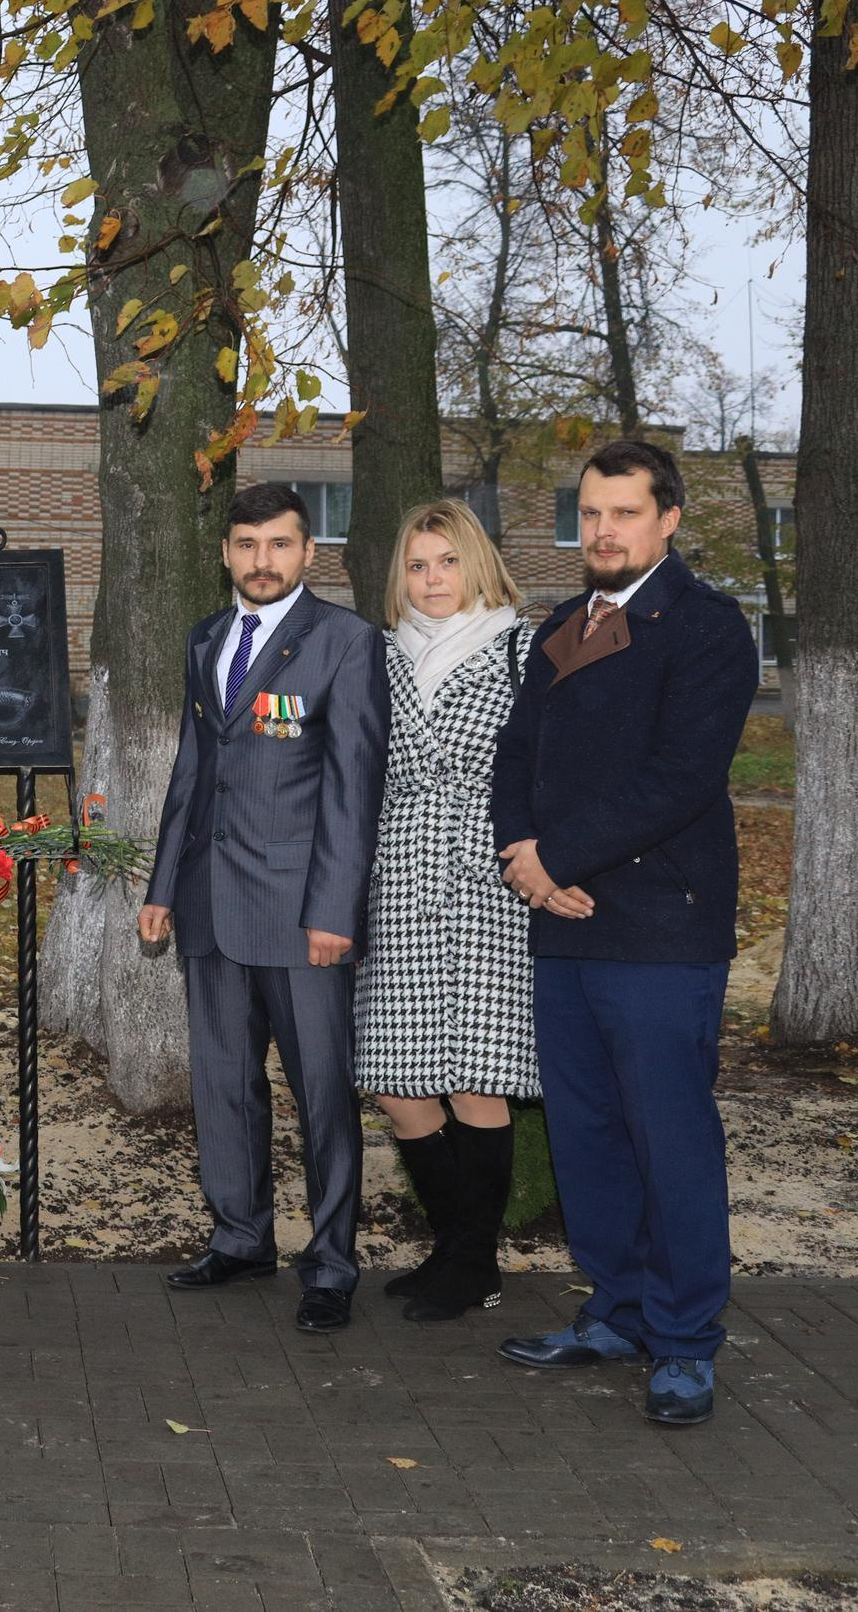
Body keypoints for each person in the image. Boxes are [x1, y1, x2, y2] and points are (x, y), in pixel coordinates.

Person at [490, 439, 756, 1427]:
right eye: (591, 513)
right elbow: (516, 752)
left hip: (660, 929)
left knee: (669, 1140)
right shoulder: (564, 624)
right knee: (588, 1135)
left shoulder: (707, 627)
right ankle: (617, 1310)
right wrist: (523, 853)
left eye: (624, 513)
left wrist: (558, 859)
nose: (602, 531)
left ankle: (684, 1341)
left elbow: (679, 778)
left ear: (668, 520)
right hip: (563, 926)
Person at [137, 483, 387, 1334]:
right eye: (246, 544)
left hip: (300, 914)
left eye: (279, 544)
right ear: (226, 553)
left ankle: (331, 1264)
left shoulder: (346, 641)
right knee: (223, 1083)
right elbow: (191, 770)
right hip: (209, 904)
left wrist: (335, 911)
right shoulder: (206, 637)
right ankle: (240, 1236)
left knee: (321, 1092)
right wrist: (162, 884)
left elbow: (352, 790)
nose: (262, 560)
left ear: (307, 551)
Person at [354, 499, 536, 1323]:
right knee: (398, 1082)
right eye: (417, 564)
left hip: (489, 880)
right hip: (399, 875)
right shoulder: (378, 654)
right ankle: (455, 1246)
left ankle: (472, 1262)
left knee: (475, 1077)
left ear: (477, 564)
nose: (432, 579)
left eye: (448, 561)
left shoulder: (521, 649)